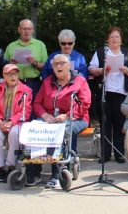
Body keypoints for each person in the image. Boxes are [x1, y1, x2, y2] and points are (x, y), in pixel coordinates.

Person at [25, 54, 91, 188]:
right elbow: (37, 103)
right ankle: (33, 173)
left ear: (69, 66)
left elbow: (84, 104)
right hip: (50, 118)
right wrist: (44, 115)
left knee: (62, 132)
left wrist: (66, 115)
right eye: (55, 64)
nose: (58, 66)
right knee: (33, 130)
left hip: (76, 118)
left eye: (62, 63)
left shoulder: (80, 81)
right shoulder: (47, 81)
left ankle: (57, 174)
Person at [89, 26, 128, 163]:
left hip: (121, 93)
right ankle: (105, 155)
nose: (114, 39)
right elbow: (91, 69)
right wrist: (103, 70)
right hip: (104, 92)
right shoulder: (100, 52)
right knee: (104, 123)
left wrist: (126, 70)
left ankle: (119, 154)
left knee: (119, 124)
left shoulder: (127, 52)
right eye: (112, 37)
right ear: (108, 40)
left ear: (121, 40)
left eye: (117, 37)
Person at [0, 63, 32, 183]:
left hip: (16, 123)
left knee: (14, 133)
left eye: (15, 74)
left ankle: (10, 166)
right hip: (0, 121)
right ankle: (0, 167)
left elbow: (26, 112)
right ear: (4, 76)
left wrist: (11, 122)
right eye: (10, 74)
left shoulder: (26, 90)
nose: (13, 77)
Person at [4, 19, 48, 100]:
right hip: (15, 83)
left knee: (33, 110)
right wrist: (10, 64)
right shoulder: (11, 46)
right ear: (19, 30)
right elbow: (3, 67)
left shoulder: (40, 45)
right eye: (24, 29)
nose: (26, 31)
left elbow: (46, 66)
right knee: (15, 109)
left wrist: (34, 63)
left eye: (29, 29)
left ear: (33, 30)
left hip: (34, 83)